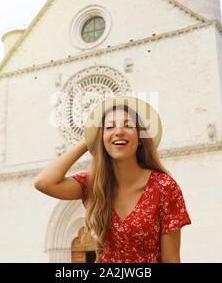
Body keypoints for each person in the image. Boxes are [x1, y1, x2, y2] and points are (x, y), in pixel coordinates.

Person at [34, 96, 191, 263]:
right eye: (109, 127)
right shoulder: (94, 184)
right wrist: (88, 140)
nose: (118, 131)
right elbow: (44, 182)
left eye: (128, 125)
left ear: (140, 138)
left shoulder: (164, 187)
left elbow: (172, 259)